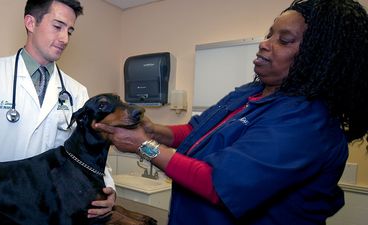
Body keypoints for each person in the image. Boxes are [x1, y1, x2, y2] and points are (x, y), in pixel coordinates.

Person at [94, 0, 368, 224]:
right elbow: (195, 130)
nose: (265, 43)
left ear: (318, 57)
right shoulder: (250, 92)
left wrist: (144, 146)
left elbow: (216, 184)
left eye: (284, 40)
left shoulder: (308, 122)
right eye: (269, 33)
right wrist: (153, 131)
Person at [0, 0, 115, 219]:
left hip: (47, 212)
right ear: (30, 22)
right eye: (57, 26)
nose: (65, 39)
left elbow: (91, 151)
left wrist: (108, 189)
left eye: (70, 31)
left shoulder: (76, 92)